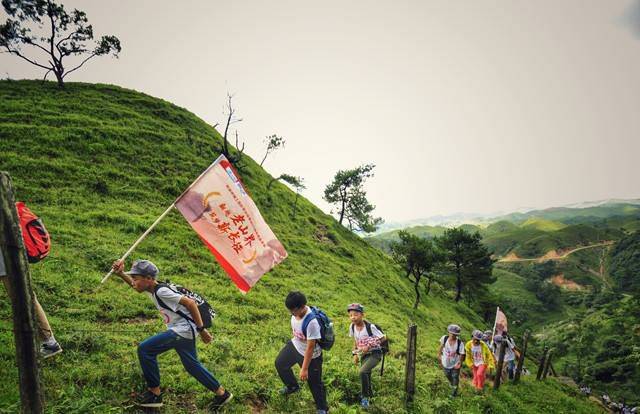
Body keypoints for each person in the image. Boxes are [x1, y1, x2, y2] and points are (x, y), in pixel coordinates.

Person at [111, 259, 232, 409]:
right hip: (183, 330)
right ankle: (222, 394)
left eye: (136, 278)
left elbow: (190, 303)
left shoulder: (161, 291)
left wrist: (202, 330)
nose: (134, 282)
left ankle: (154, 393)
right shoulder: (152, 289)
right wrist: (121, 274)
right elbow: (137, 287)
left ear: (148, 279)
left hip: (182, 331)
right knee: (192, 366)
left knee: (145, 349)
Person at [0, 202, 62, 358]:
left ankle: (49, 342)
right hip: (8, 251)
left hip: (6, 254)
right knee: (22, 296)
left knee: (22, 296)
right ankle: (49, 342)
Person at [275, 291, 329, 414]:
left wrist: (304, 369)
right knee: (280, 363)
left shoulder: (312, 322)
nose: (291, 313)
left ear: (301, 307)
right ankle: (292, 386)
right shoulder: (295, 314)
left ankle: (322, 408)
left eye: (292, 310)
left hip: (311, 356)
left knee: (314, 384)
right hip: (295, 345)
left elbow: (310, 348)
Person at [347, 303, 387, 408]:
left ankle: (365, 397)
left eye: (356, 314)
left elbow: (383, 338)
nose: (353, 317)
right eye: (350, 315)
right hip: (364, 355)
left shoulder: (370, 327)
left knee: (363, 371)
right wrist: (354, 354)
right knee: (367, 374)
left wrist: (369, 346)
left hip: (375, 353)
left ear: (362, 315)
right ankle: (370, 395)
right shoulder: (352, 327)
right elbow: (355, 341)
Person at [438, 324, 465, 397]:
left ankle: (454, 393)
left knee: (455, 377)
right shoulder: (444, 338)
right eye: (451, 333)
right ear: (449, 332)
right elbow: (441, 347)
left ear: (457, 335)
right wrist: (439, 356)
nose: (453, 335)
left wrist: (459, 363)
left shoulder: (460, 343)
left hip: (455, 364)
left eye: (455, 334)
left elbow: (462, 354)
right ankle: (452, 385)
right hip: (445, 363)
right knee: (447, 375)